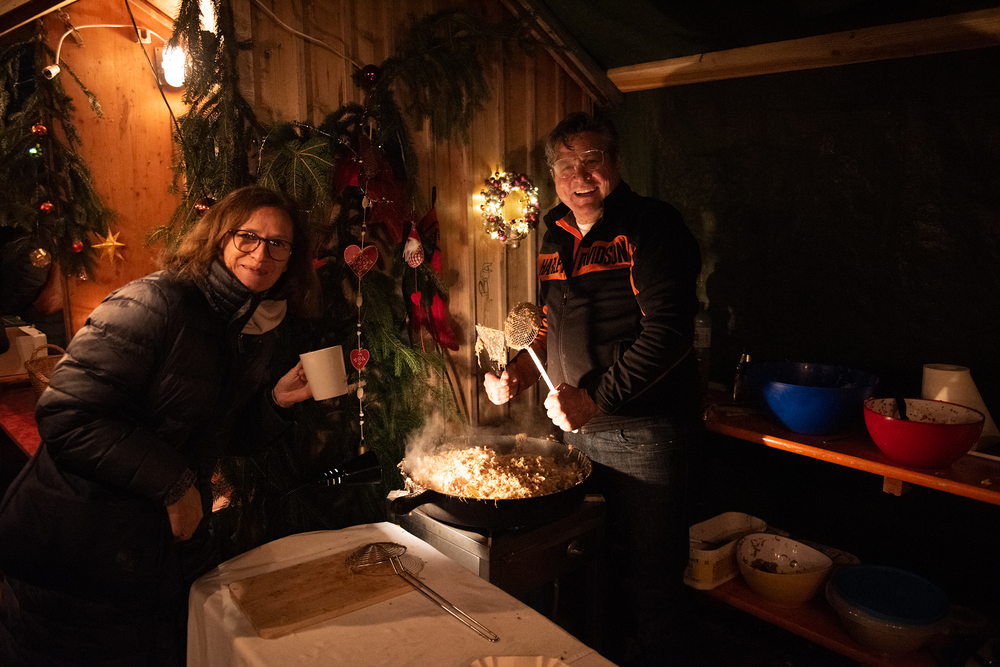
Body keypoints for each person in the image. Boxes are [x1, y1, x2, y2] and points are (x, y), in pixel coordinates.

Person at [0, 186, 321, 666]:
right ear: (219, 237)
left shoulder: (248, 326)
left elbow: (219, 437)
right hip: (77, 546)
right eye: (248, 237)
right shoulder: (155, 302)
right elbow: (66, 414)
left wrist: (276, 402)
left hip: (147, 555)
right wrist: (175, 485)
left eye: (278, 244)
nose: (261, 253)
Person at [484, 112, 703, 666]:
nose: (579, 175)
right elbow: (548, 326)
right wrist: (520, 372)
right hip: (576, 437)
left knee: (650, 580)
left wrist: (595, 400)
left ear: (615, 163)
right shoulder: (555, 234)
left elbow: (669, 333)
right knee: (591, 569)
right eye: (565, 164)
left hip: (643, 435)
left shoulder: (652, 226)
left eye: (591, 160)